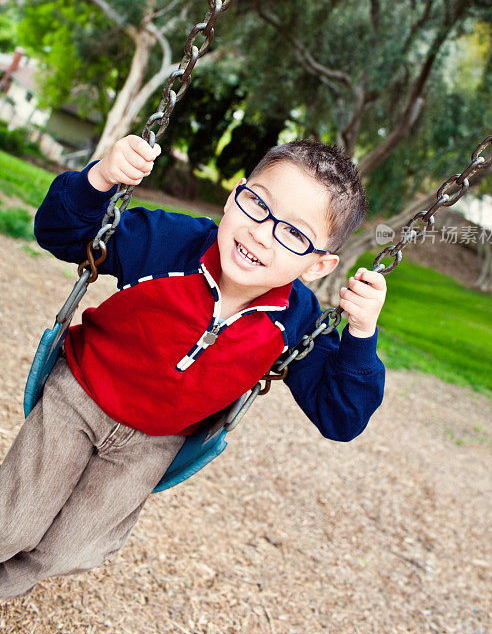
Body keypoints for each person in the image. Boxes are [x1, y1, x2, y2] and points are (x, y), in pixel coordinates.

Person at [0, 135, 386, 600]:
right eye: (258, 204)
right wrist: (100, 178)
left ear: (318, 265)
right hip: (81, 395)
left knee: (72, 550)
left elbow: (339, 416)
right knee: (13, 522)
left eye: (295, 234)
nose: (262, 233)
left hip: (151, 444)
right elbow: (61, 233)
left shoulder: (297, 319)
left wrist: (361, 335)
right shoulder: (169, 243)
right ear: (234, 196)